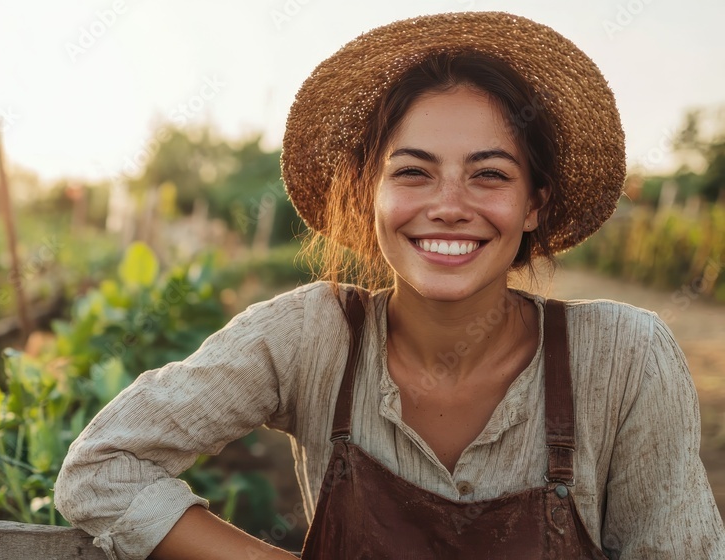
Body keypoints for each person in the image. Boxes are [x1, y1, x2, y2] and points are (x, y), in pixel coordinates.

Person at [54, 11, 725, 559]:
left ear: (533, 205)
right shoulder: (310, 335)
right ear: (370, 195)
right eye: (413, 172)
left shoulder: (623, 357)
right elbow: (102, 469)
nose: (448, 205)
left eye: (488, 174)